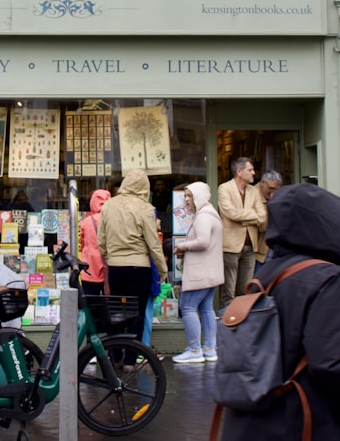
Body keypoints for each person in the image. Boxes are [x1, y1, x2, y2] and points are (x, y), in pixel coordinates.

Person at [218, 184, 340, 440]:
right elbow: (332, 366)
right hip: (303, 422)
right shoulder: (326, 277)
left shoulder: (267, 274)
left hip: (252, 423)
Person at [99, 168, 168, 369]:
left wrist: (109, 256)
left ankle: (115, 356)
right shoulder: (145, 208)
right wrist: (162, 270)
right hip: (140, 267)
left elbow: (101, 240)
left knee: (116, 312)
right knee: (136, 314)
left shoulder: (109, 206)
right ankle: (130, 359)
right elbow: (153, 244)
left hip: (116, 266)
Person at [172, 181, 223, 364]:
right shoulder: (211, 213)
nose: (186, 200)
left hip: (200, 273)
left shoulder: (203, 216)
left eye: (189, 196)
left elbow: (203, 241)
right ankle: (210, 349)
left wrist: (182, 246)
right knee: (207, 308)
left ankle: (194, 350)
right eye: (185, 196)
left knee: (188, 308)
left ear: (198, 196)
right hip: (210, 272)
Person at [216, 157, 266, 311]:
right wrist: (252, 215)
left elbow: (263, 216)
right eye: (250, 170)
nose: (254, 173)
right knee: (228, 292)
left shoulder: (253, 191)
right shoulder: (224, 188)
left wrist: (243, 218)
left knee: (246, 291)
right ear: (239, 172)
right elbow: (230, 213)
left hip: (250, 246)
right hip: (230, 246)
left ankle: (242, 324)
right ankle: (227, 325)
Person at [78, 189, 111, 296]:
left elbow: (80, 244)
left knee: (89, 302)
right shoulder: (113, 220)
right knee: (108, 304)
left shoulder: (86, 222)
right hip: (109, 267)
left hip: (89, 268)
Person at [253, 170, 283, 274]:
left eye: (276, 190)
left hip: (272, 250)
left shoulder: (274, 196)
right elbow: (263, 225)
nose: (273, 193)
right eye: (271, 188)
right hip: (257, 252)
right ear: (262, 183)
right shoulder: (252, 195)